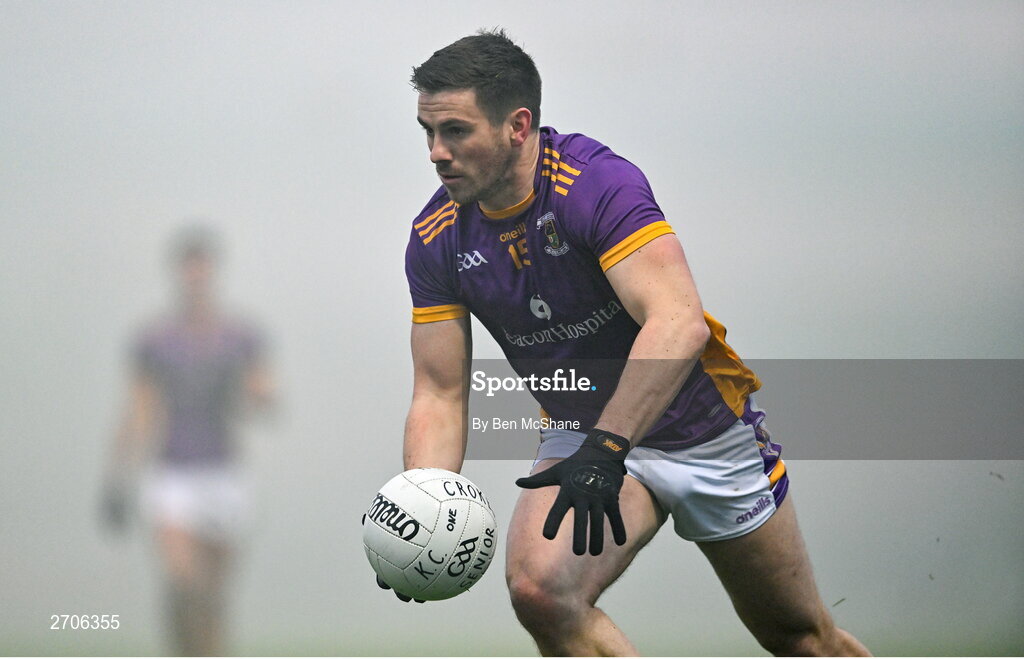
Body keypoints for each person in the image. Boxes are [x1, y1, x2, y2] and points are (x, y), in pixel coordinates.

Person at [393, 29, 870, 657]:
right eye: (427, 131)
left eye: (455, 131)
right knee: (540, 592)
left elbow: (677, 322)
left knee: (801, 638)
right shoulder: (436, 239)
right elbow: (440, 391)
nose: (435, 152)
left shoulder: (594, 184)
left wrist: (609, 444)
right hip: (581, 428)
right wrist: (420, 512)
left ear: (518, 125)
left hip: (701, 429)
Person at [101, 226, 274, 656]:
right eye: (188, 270)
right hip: (173, 472)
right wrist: (117, 476)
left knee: (213, 593)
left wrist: (254, 393)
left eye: (203, 270)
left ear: (212, 273)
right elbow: (139, 409)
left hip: (223, 472)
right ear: (179, 275)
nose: (196, 279)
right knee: (184, 582)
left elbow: (264, 396)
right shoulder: (155, 340)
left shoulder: (240, 336)